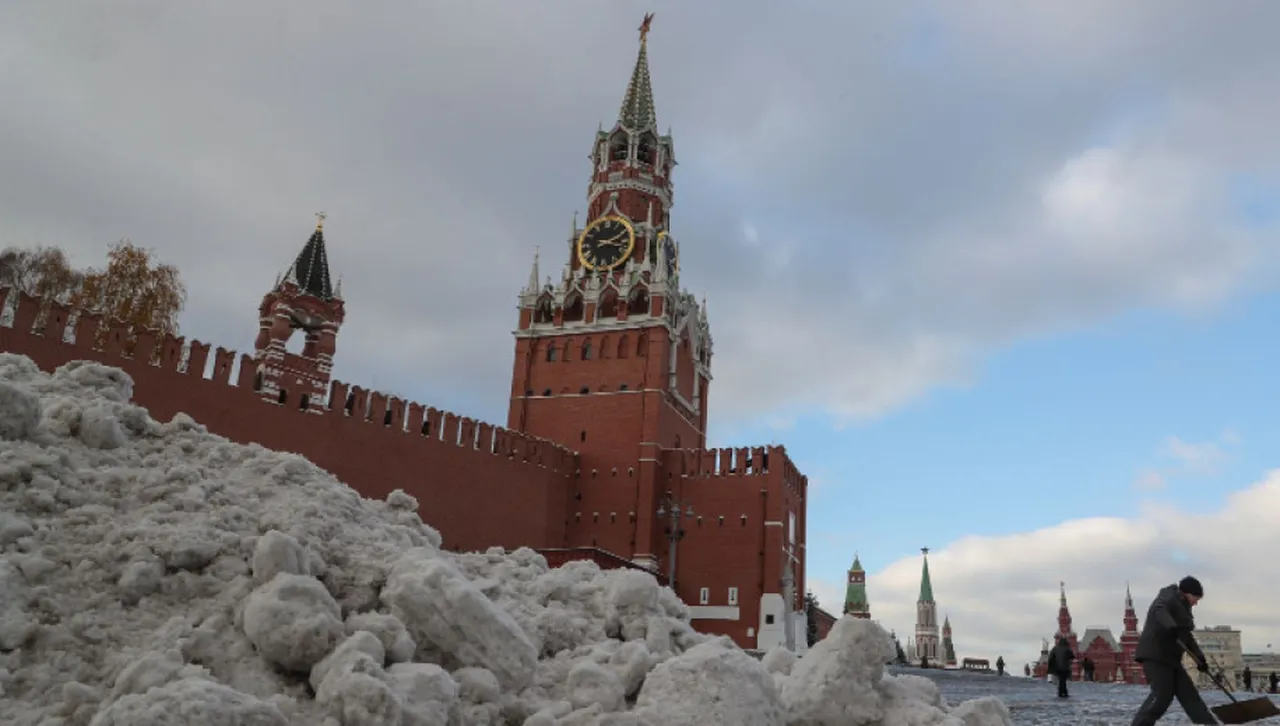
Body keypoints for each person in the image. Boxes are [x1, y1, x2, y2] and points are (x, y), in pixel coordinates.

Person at [1129, 576, 1215, 726]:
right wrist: (1170, 626)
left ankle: (1208, 724)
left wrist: (1200, 658)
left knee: (1189, 695)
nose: (1197, 602)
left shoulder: (1184, 609)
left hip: (1172, 659)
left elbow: (1186, 636)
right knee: (1162, 695)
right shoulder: (1168, 597)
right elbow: (1159, 610)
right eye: (1196, 598)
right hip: (1156, 655)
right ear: (1187, 593)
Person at [1049, 634, 1075, 698]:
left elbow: (1051, 658)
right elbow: (1072, 656)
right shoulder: (1067, 648)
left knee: (1061, 679)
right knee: (1063, 680)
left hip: (1057, 667)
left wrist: (1051, 667)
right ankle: (1063, 692)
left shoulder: (1055, 648)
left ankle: (1062, 692)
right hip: (1065, 667)